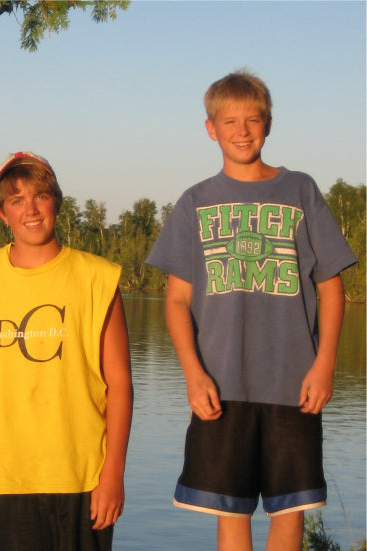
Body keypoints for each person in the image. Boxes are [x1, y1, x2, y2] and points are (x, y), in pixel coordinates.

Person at [146, 70, 357, 551]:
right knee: (229, 513)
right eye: (230, 121)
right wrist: (193, 374)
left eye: (253, 120)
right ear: (211, 128)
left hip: (294, 385)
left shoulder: (300, 190)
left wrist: (324, 365)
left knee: (289, 513)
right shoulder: (195, 202)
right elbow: (176, 301)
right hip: (220, 385)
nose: (242, 130)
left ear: (268, 124)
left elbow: (331, 286)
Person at [0, 151, 133, 551]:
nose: (30, 210)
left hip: (82, 476)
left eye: (40, 196)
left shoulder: (97, 277)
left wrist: (113, 474)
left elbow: (120, 384)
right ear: (3, 213)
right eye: (17, 201)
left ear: (56, 201)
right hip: (12, 476)